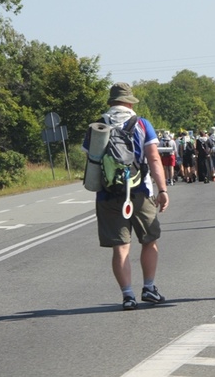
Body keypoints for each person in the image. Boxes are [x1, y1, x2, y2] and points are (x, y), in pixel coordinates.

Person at [82, 82, 169, 310]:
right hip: (140, 191)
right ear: (130, 102)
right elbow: (154, 159)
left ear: (111, 102)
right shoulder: (141, 124)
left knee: (121, 247)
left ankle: (128, 295)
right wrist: (163, 189)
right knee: (149, 240)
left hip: (108, 194)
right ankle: (149, 288)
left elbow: (90, 159)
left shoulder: (97, 126)